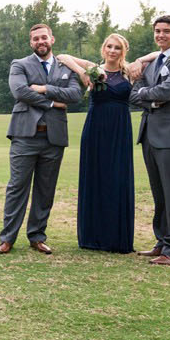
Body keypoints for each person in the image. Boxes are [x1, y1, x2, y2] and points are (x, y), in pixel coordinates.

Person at [0, 23, 83, 255]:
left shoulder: (66, 66)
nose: (40, 42)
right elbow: (20, 92)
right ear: (31, 43)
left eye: (43, 37)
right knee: (17, 187)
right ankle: (7, 238)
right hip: (25, 135)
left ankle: (37, 236)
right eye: (35, 39)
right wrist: (53, 102)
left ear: (52, 39)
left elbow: (76, 94)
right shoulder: (20, 64)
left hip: (53, 138)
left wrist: (45, 88)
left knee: (45, 190)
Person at [56, 34, 135, 253]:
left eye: (117, 47)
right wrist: (83, 72)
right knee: (96, 177)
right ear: (103, 49)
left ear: (123, 51)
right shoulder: (94, 68)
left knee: (117, 178)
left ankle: (116, 238)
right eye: (109, 46)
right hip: (96, 129)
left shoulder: (129, 72)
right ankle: (92, 236)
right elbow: (62, 56)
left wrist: (144, 58)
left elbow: (161, 54)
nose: (112, 50)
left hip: (120, 130)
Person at [128, 15, 170, 266]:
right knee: (160, 194)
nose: (160, 36)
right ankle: (162, 242)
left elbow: (167, 91)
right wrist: (151, 97)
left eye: (166, 31)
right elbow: (134, 95)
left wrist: (148, 95)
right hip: (150, 136)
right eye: (157, 31)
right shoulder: (154, 62)